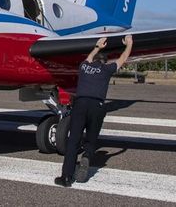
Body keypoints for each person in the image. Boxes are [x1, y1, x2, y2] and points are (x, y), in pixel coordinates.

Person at [56, 34, 133, 187]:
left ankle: (66, 178)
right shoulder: (106, 69)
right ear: (105, 62)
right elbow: (123, 58)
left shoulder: (83, 67)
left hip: (81, 103)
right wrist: (129, 44)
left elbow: (89, 58)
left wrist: (97, 46)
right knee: (91, 139)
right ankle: (87, 156)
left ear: (94, 59)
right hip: (97, 106)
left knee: (73, 141)